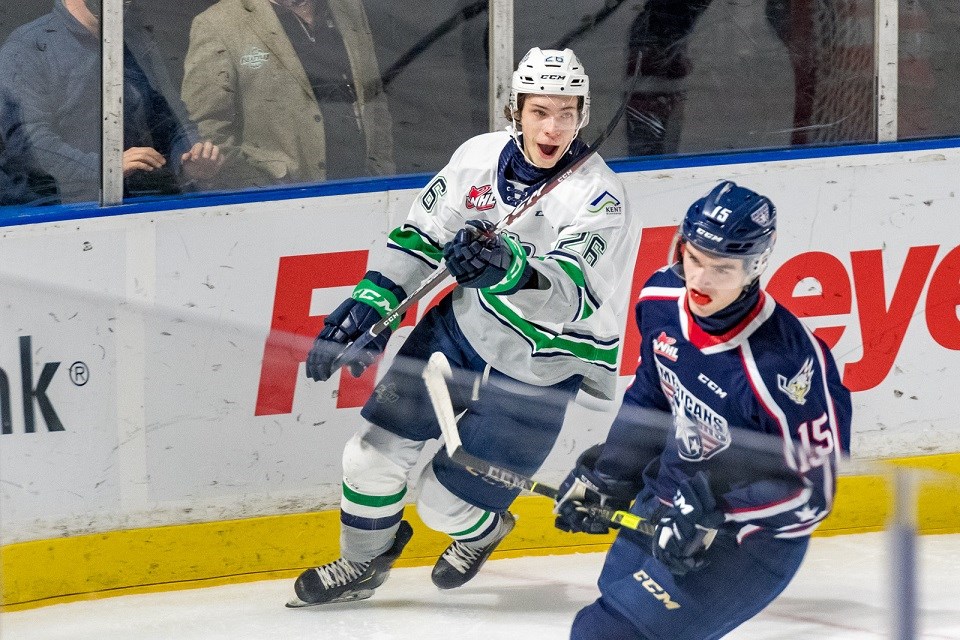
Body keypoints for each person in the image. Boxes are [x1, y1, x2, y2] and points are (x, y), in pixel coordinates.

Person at [289, 47, 643, 606]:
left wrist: (509, 268)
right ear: (515, 110)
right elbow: (421, 235)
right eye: (539, 112)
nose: (553, 128)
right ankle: (362, 564)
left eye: (567, 113)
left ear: (583, 114)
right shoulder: (478, 158)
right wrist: (374, 303)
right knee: (370, 455)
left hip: (544, 364)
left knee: (441, 503)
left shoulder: (599, 197)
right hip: (463, 330)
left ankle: (482, 529)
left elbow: (571, 293)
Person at [553, 180, 852, 639]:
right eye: (693, 258)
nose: (699, 280)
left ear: (754, 267)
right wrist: (610, 476)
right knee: (612, 607)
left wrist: (718, 512)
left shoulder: (786, 366)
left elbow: (814, 494)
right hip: (663, 501)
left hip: (744, 544)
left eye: (721, 268)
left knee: (604, 632)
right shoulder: (660, 300)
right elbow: (650, 399)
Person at [0, 0, 223, 204]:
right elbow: (28, 144)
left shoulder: (134, 42)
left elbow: (171, 119)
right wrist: (105, 168)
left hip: (140, 205)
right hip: (55, 212)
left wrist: (189, 158)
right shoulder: (27, 48)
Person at [181, 0, 394, 190]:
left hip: (364, 190)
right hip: (280, 203)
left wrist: (383, 173)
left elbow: (374, 99)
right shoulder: (218, 23)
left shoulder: (349, 7)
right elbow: (208, 126)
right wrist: (254, 189)